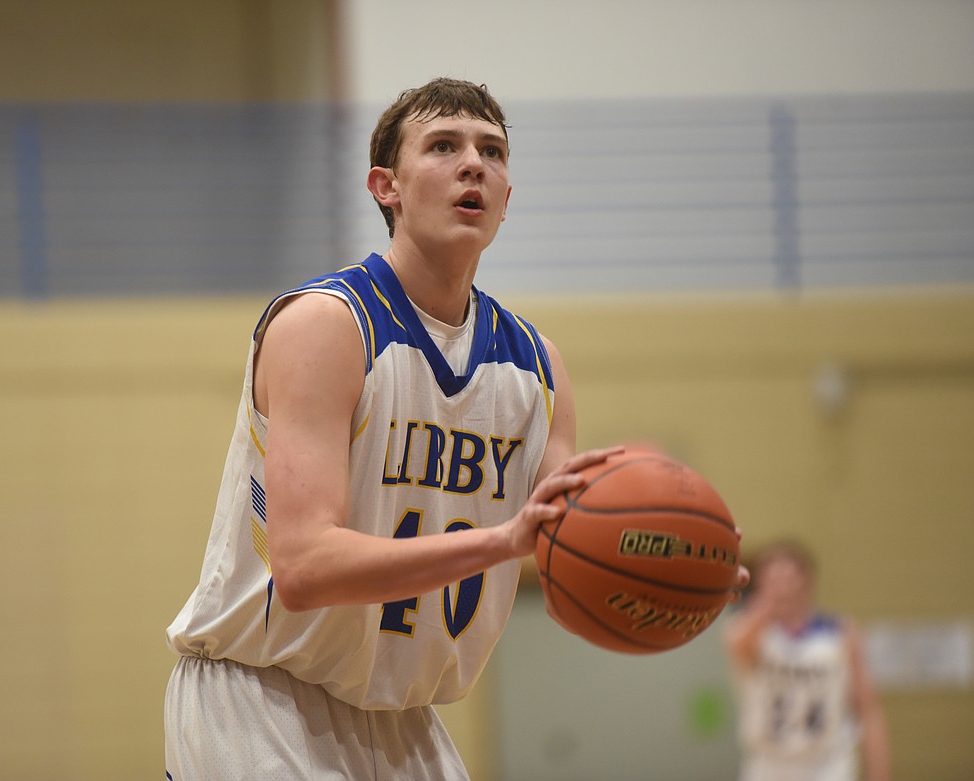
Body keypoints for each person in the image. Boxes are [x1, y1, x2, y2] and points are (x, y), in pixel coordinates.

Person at [164, 77, 745, 779]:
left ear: (505, 200)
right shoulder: (327, 326)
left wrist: (682, 565)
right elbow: (305, 567)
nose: (474, 163)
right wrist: (502, 541)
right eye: (443, 146)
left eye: (492, 152)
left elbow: (568, 548)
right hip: (262, 699)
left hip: (405, 719)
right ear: (387, 187)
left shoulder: (538, 367)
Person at [723, 539, 891, 781]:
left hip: (826, 764)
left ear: (808, 582)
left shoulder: (841, 633)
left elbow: (869, 710)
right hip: (768, 763)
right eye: (772, 580)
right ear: (760, 585)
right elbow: (737, 642)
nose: (782, 588)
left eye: (789, 578)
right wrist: (765, 608)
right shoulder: (747, 632)